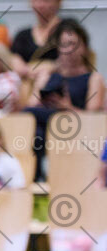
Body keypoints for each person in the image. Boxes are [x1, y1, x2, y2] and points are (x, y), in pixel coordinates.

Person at [24, 19, 104, 180]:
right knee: (31, 124)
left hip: (77, 128)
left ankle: (37, 178)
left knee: (34, 120)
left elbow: (94, 118)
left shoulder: (93, 78)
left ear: (85, 48)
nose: (70, 50)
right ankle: (36, 180)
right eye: (64, 44)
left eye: (74, 44)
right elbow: (31, 106)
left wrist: (67, 107)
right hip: (44, 128)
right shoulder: (48, 74)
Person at [10, 0, 61, 78]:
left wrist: (52, 67)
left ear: (58, 3)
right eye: (36, 1)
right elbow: (16, 64)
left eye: (46, 1)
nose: (40, 5)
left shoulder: (67, 31)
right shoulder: (22, 35)